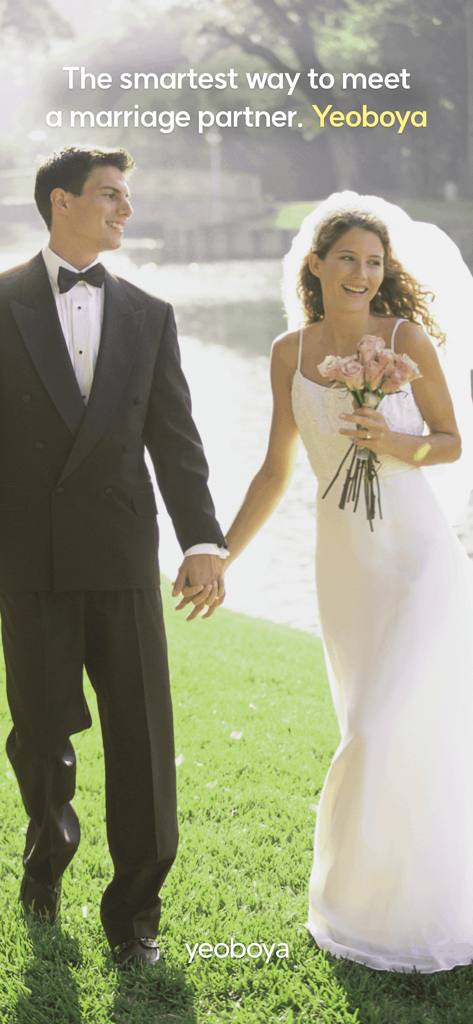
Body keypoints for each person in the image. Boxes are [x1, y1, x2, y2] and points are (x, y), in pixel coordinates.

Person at [222, 192, 473, 972]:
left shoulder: (405, 339)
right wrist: (218, 554)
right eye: (348, 260)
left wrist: (393, 440)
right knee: (370, 725)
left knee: (386, 727)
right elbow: (273, 470)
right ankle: (374, 908)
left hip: (417, 557)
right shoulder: (287, 354)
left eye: (373, 262)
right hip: (346, 567)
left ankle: (423, 911)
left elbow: (451, 443)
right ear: (316, 267)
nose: (362, 274)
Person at [0, 145, 227, 965]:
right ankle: (48, 850)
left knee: (140, 735)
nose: (125, 210)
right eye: (110, 196)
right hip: (28, 559)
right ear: (61, 202)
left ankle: (135, 915)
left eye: (127, 198)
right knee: (40, 732)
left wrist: (203, 540)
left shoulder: (149, 312)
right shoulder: (1, 302)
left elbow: (176, 441)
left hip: (124, 554)